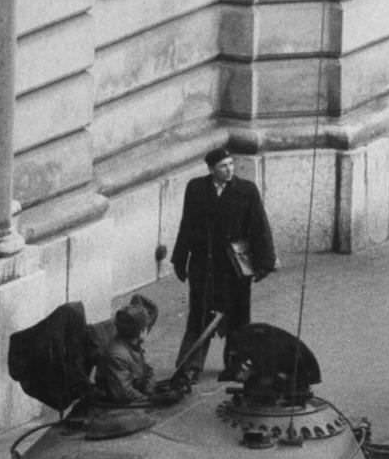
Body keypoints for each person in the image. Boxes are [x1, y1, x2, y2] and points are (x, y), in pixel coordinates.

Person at [170, 147, 276, 382]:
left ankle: (236, 365)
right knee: (199, 316)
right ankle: (190, 366)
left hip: (234, 269)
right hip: (203, 267)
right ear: (211, 170)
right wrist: (180, 259)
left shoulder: (246, 191)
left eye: (231, 165)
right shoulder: (196, 189)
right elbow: (186, 225)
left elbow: (259, 227)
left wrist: (264, 263)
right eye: (223, 166)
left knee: (238, 319)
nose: (229, 170)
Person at [93, 303, 156, 404]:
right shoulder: (117, 355)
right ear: (140, 331)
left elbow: (147, 371)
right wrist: (150, 400)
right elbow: (123, 394)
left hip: (135, 394)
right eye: (146, 327)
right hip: (116, 406)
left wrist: (150, 390)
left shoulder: (132, 344)